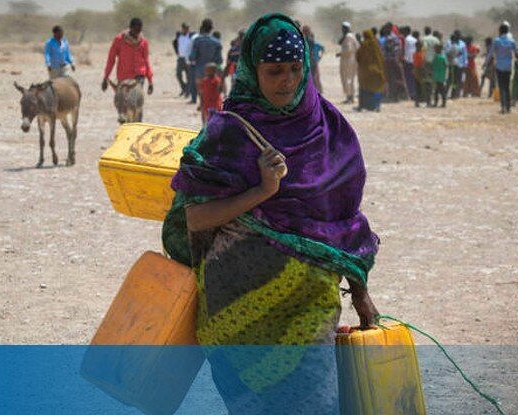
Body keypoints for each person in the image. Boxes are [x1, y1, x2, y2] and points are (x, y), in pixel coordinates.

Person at [161, 13, 379, 414]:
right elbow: (196, 220)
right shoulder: (226, 133)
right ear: (251, 70)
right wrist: (263, 191)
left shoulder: (329, 128)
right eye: (274, 70)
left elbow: (344, 222)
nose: (288, 81)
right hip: (238, 316)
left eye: (296, 69)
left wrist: (360, 292)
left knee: (317, 403)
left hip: (309, 311)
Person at [102, 18, 154, 96]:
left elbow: (146, 61)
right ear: (130, 28)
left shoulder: (143, 42)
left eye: (139, 31)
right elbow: (111, 59)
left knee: (135, 100)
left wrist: (150, 81)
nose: (137, 33)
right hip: (124, 76)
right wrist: (106, 77)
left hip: (139, 75)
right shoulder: (119, 40)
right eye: (135, 30)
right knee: (122, 102)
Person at [189, 19, 223, 105]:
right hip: (213, 73)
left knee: (202, 96)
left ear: (202, 28)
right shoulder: (216, 42)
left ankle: (203, 111)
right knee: (214, 97)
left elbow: (192, 57)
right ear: (211, 28)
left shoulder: (197, 41)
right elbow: (220, 60)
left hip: (200, 72)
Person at [355, 29, 386, 112]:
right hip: (376, 70)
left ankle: (362, 106)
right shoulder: (376, 44)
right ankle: (377, 106)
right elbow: (381, 57)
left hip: (365, 71)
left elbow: (358, 56)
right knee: (377, 88)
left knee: (363, 88)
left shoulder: (364, 45)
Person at [490, 23, 517, 114]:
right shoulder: (512, 41)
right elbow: (516, 53)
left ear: (500, 31)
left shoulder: (496, 41)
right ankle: (508, 107)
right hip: (508, 67)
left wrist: (486, 63)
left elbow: (490, 53)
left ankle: (503, 107)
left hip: (499, 66)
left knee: (501, 87)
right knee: (507, 86)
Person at [337, 22, 359, 104]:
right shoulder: (351, 36)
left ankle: (350, 97)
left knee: (347, 79)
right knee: (350, 79)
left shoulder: (348, 37)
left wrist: (340, 54)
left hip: (348, 60)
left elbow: (348, 50)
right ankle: (350, 96)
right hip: (351, 60)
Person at [302, 25, 325, 94]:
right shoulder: (306, 40)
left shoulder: (308, 40)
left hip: (310, 61)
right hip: (310, 61)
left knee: (312, 77)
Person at [421, 26, 441, 104]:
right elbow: (439, 48)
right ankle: (434, 95)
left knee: (427, 79)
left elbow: (424, 48)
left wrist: (423, 59)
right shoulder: (436, 39)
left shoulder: (424, 39)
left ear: (425, 31)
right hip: (435, 60)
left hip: (427, 61)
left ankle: (428, 98)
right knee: (434, 79)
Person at [173, 23, 193, 97]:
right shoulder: (179, 36)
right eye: (185, 28)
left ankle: (188, 91)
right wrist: (177, 53)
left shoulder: (191, 36)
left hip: (188, 58)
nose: (186, 29)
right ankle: (184, 87)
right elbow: (174, 43)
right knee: (178, 75)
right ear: (182, 28)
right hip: (180, 58)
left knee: (189, 76)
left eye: (188, 28)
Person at [450, 31, 467, 99]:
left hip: (460, 64)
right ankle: (453, 93)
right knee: (453, 80)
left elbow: (465, 55)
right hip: (453, 64)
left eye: (458, 35)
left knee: (459, 79)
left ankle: (457, 93)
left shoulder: (462, 44)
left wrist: (465, 64)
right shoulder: (450, 43)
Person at [403, 26, 418, 100]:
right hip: (414, 60)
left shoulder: (407, 39)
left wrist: (405, 59)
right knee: (413, 77)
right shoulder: (414, 39)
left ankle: (411, 93)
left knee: (408, 78)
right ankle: (414, 93)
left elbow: (406, 51)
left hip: (408, 61)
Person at [432, 43, 448, 107]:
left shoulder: (436, 57)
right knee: (440, 90)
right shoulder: (443, 57)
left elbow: (432, 66)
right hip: (441, 76)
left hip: (437, 76)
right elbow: (446, 65)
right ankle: (442, 103)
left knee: (438, 90)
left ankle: (439, 103)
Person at [413, 40, 427, 107]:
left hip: (417, 70)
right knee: (420, 86)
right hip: (419, 70)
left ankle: (418, 101)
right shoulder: (418, 54)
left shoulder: (417, 53)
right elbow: (421, 63)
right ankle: (418, 101)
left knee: (418, 86)